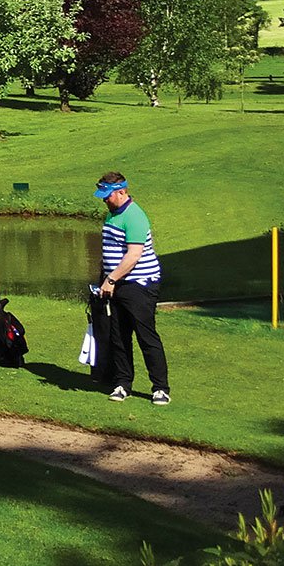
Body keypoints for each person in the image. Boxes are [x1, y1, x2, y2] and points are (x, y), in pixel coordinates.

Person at [96, 172, 169, 404]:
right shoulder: (112, 215)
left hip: (139, 284)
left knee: (146, 336)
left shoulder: (134, 216)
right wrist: (105, 277)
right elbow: (111, 250)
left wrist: (111, 279)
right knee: (119, 336)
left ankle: (160, 388)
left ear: (121, 192)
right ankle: (123, 383)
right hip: (117, 283)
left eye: (107, 196)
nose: (104, 200)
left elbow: (133, 256)